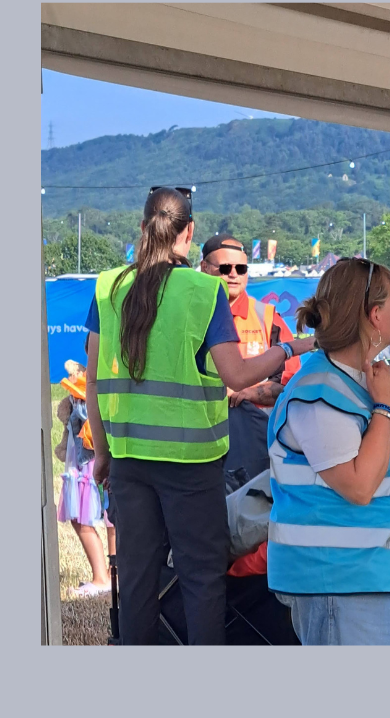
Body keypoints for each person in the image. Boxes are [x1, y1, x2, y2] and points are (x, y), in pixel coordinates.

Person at [85, 187, 317, 645]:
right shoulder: (203, 290)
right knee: (201, 579)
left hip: (129, 458)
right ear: (189, 232)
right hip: (192, 464)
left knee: (137, 580)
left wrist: (103, 453)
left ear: (143, 227)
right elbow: (237, 374)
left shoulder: (108, 286)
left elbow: (92, 380)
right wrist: (295, 347)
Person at [266, 258, 390, 645]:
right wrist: (383, 408)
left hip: (389, 575)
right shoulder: (318, 391)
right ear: (375, 315)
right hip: (341, 581)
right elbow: (360, 486)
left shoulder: (372, 380)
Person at [200, 234, 301, 409]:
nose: (233, 274)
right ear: (204, 267)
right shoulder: (189, 314)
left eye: (241, 268)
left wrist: (248, 392)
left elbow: (291, 384)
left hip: (252, 424)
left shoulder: (269, 319)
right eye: (225, 268)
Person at [56, 359, 116, 597]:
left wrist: (76, 396)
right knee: (112, 518)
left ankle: (103, 577)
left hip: (88, 465)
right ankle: (112, 576)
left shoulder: (85, 393)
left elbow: (84, 415)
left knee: (84, 519)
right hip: (97, 461)